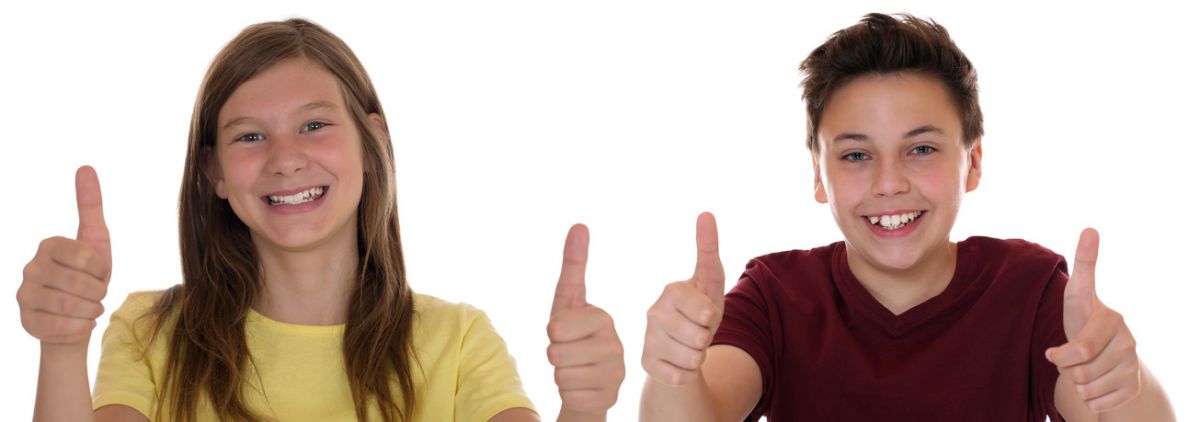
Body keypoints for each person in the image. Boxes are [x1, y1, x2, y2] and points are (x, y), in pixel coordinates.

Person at [16, 18, 621, 422]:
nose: (285, 159)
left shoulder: (459, 342)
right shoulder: (150, 334)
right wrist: (63, 346)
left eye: (314, 124)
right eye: (249, 136)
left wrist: (584, 411)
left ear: (372, 139)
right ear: (215, 172)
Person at [638, 13, 1176, 421]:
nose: (889, 182)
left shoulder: (1031, 290)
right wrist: (674, 372)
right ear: (820, 177)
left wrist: (1123, 386)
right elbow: (700, 408)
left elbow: (1108, 409)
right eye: (855, 155)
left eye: (920, 149)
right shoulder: (776, 294)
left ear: (973, 162)